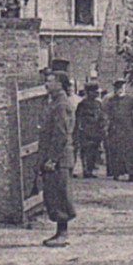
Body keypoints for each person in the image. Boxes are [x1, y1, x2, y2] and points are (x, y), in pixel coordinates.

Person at [36, 60, 76, 246]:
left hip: (59, 158)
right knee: (53, 193)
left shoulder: (61, 104)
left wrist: (52, 159)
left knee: (60, 194)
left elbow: (60, 134)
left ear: (59, 84)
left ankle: (63, 234)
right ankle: (60, 233)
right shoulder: (55, 102)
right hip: (56, 157)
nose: (46, 84)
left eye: (50, 81)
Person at [103, 79, 133, 181]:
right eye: (117, 88)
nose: (119, 90)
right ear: (114, 89)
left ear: (124, 88)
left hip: (128, 129)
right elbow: (106, 115)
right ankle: (116, 173)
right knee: (116, 151)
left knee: (130, 151)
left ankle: (132, 173)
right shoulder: (111, 101)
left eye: (121, 88)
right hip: (115, 129)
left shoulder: (131, 100)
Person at [74, 82, 105, 178]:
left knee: (94, 151)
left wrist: (102, 127)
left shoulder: (98, 104)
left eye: (96, 92)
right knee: (85, 150)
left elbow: (101, 116)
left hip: (96, 131)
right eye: (93, 92)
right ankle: (86, 170)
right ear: (88, 92)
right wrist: (80, 129)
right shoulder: (82, 104)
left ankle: (90, 170)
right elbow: (78, 118)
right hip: (85, 131)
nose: (95, 94)